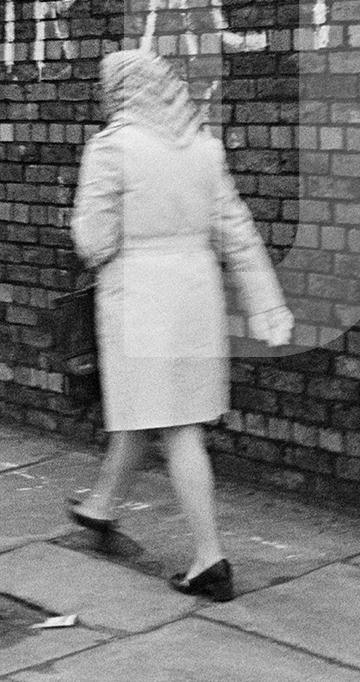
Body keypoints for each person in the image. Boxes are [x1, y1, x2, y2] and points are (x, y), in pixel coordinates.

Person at [67, 48, 293, 602]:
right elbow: (236, 230)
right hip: (196, 296)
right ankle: (100, 507)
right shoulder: (203, 148)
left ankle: (209, 557)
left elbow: (92, 242)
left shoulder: (112, 148)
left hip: (139, 297)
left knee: (176, 425)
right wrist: (267, 304)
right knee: (147, 409)